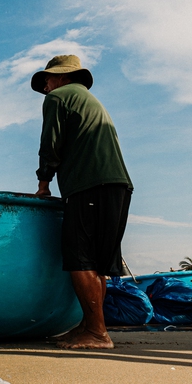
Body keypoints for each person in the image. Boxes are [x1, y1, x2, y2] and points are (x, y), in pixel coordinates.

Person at [32, 55, 133, 350]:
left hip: (89, 185)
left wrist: (43, 182)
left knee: (80, 258)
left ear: (63, 77)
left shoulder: (59, 97)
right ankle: (90, 327)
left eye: (48, 79)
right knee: (98, 263)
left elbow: (50, 142)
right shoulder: (90, 100)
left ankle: (98, 333)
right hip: (118, 185)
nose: (46, 86)